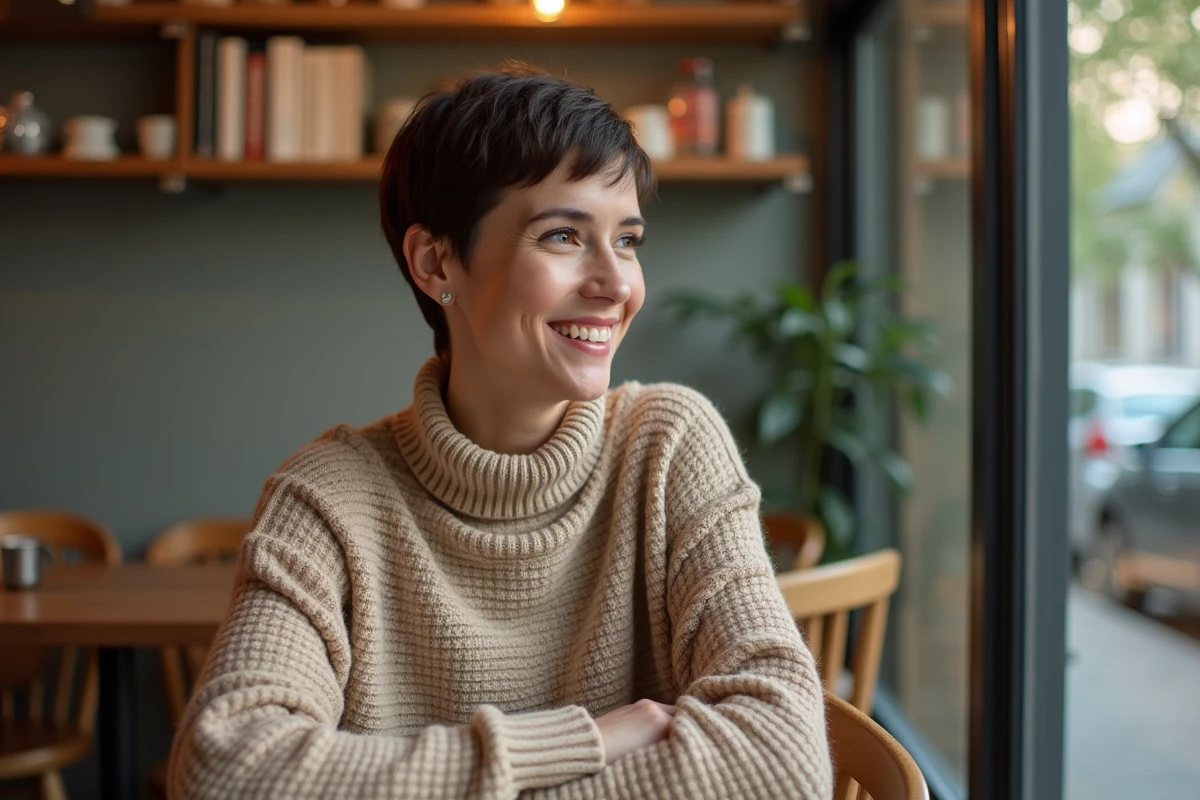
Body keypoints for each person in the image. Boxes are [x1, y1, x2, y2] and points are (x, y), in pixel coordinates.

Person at [168, 64, 832, 799]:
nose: (617, 285)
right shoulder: (326, 500)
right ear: (435, 261)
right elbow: (227, 771)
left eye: (629, 239)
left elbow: (782, 759)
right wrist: (584, 742)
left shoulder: (670, 446)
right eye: (562, 236)